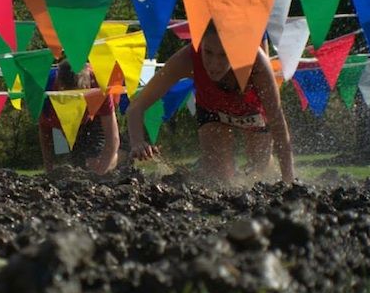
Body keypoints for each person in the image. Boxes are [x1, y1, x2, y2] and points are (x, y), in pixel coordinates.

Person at [126, 21, 295, 183]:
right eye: (208, 52)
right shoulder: (187, 58)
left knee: (259, 172)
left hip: (252, 110)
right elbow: (136, 107)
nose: (214, 64)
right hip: (213, 110)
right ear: (200, 44)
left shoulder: (256, 61)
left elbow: (278, 124)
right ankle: (204, 170)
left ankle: (268, 165)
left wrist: (289, 182)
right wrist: (137, 142)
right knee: (219, 179)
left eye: (224, 54)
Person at [39, 60, 120, 175]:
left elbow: (113, 138)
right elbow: (44, 132)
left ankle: (120, 155)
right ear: (59, 87)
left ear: (87, 86)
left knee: (93, 164)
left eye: (76, 98)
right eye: (68, 98)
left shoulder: (99, 87)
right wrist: (49, 169)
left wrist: (98, 175)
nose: (72, 103)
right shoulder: (45, 92)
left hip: (94, 116)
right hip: (65, 123)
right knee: (70, 167)